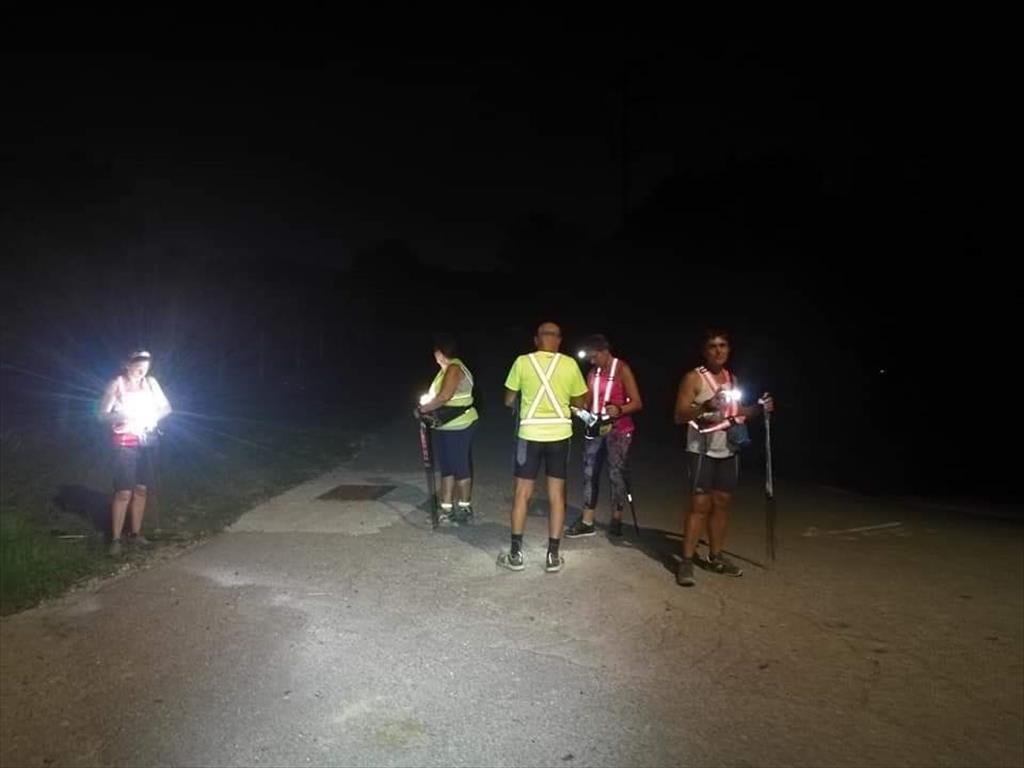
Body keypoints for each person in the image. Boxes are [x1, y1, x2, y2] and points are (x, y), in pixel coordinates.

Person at [672, 330, 773, 586]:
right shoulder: (693, 378)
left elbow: (738, 412)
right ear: (705, 351)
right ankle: (686, 561)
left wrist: (760, 408)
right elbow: (679, 415)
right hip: (701, 449)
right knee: (699, 505)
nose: (718, 351)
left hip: (728, 449)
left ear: (729, 349)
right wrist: (705, 405)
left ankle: (715, 556)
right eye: (712, 346)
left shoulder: (732, 378)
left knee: (722, 502)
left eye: (723, 345)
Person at [500, 322, 588, 572]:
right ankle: (553, 555)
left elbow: (508, 399)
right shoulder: (570, 364)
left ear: (536, 340)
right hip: (560, 435)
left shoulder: (522, 362)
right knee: (557, 495)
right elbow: (580, 402)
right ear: (559, 340)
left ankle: (515, 554)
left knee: (522, 493)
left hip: (529, 434)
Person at [565, 334, 643, 539]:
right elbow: (587, 401)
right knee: (589, 472)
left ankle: (616, 519)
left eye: (594, 356)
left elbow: (637, 402)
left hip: (619, 430)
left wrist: (620, 409)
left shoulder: (622, 369)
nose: (592, 361)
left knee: (616, 474)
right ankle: (587, 520)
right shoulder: (593, 373)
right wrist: (578, 407)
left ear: (604, 351)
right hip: (595, 428)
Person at [98, 350, 172, 556]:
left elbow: (166, 408)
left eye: (146, 366)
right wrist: (122, 415)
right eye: (138, 365)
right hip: (124, 442)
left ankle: (135, 534)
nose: (142, 370)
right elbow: (101, 415)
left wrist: (152, 417)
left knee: (141, 489)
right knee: (124, 491)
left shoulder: (151, 383)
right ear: (127, 364)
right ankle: (115, 538)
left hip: (148, 440)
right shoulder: (117, 384)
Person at [416, 334, 479, 525]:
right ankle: (446, 508)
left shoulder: (454, 368)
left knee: (459, 466)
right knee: (447, 467)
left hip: (459, 424)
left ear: (439, 353)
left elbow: (444, 396)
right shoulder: (445, 370)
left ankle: (464, 507)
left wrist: (423, 409)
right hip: (446, 425)